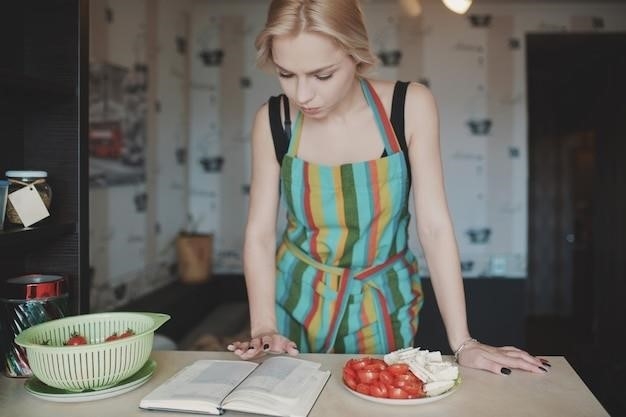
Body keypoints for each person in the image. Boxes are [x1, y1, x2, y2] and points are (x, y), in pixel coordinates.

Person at [228, 0, 548, 375]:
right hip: (294, 299)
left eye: (322, 75)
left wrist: (463, 343)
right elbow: (260, 234)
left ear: (356, 54)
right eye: (286, 74)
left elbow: (434, 228)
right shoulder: (272, 120)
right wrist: (264, 326)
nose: (302, 96)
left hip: (383, 301)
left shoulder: (409, 106)